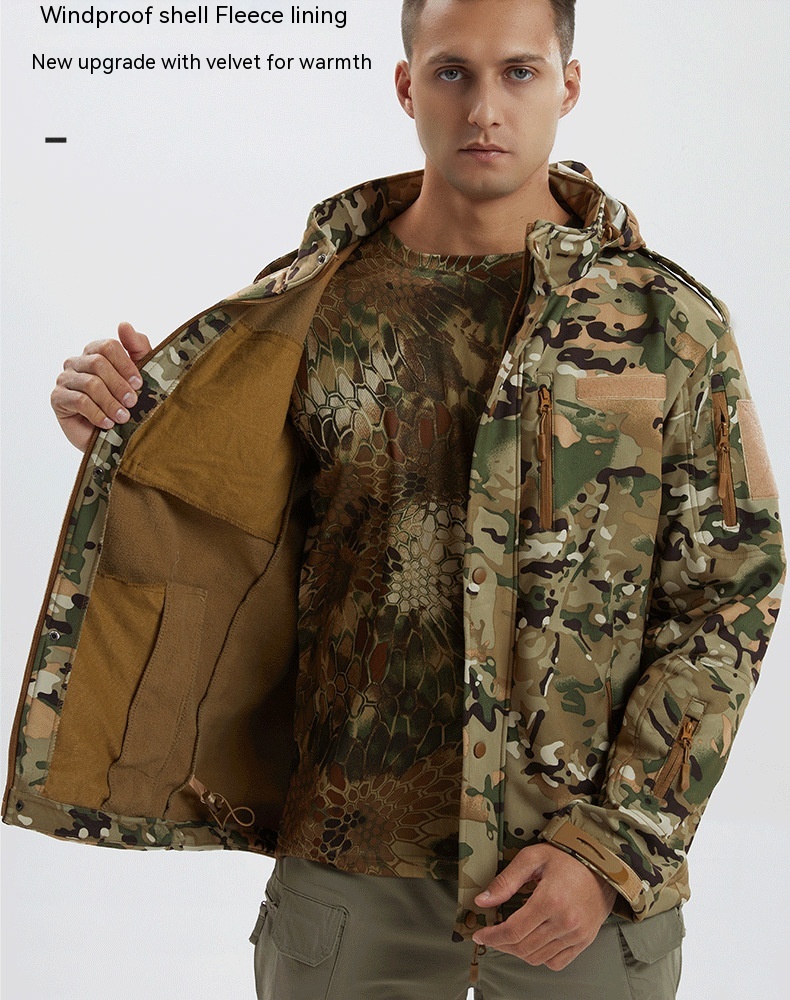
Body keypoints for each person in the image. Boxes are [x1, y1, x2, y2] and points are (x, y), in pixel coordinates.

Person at [4, 1, 784, 998]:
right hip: (350, 868)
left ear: (569, 86)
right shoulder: (313, 303)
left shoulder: (665, 320)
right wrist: (121, 425)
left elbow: (729, 595)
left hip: (580, 885)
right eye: (453, 71)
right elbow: (228, 525)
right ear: (408, 85)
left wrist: (614, 848)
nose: (485, 106)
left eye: (519, 71)